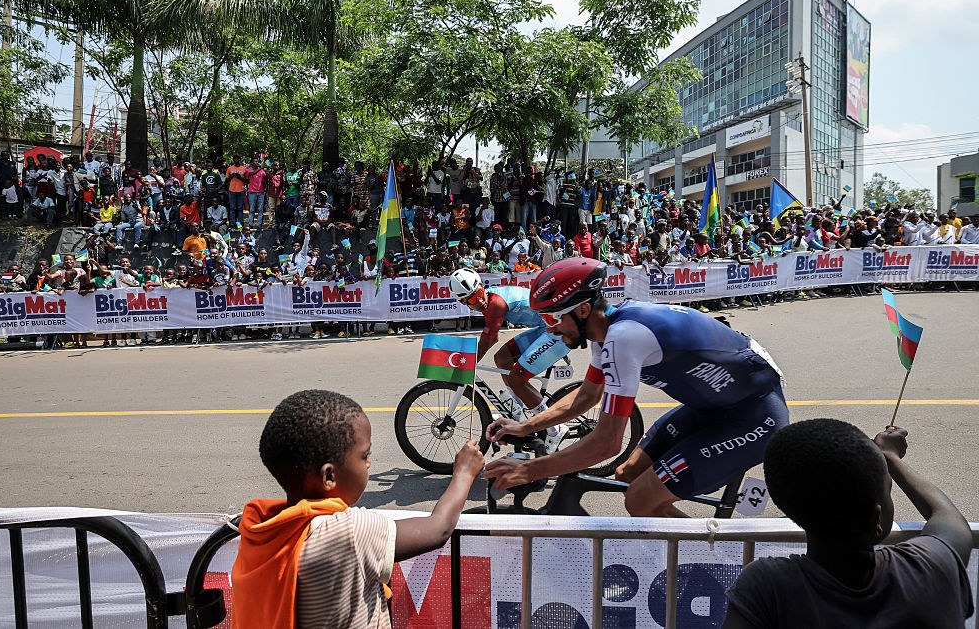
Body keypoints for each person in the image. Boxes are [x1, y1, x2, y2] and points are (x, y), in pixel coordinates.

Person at [484, 257, 789, 517]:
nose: (548, 328)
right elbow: (588, 396)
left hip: (753, 417)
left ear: (582, 311)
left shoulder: (624, 337)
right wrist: (526, 427)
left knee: (641, 499)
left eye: (552, 317)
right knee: (627, 474)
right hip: (713, 408)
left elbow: (607, 443)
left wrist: (530, 470)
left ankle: (721, 566)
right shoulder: (606, 331)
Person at [231, 390, 484, 629]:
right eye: (364, 456)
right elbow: (437, 529)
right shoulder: (349, 532)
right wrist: (463, 473)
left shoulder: (259, 526)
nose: (369, 463)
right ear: (329, 476)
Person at [723, 421, 973, 628]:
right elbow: (946, 516)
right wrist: (890, 458)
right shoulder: (930, 567)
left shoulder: (767, 586)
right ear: (876, 520)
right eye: (887, 490)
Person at [448, 268, 570, 452]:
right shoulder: (488, 303)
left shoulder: (495, 303)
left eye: (479, 293)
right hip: (544, 326)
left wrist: (467, 365)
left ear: (483, 286)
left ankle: (554, 428)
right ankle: (518, 408)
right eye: (472, 299)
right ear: (463, 302)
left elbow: (488, 340)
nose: (479, 300)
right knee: (502, 358)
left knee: (516, 379)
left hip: (559, 330)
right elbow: (493, 339)